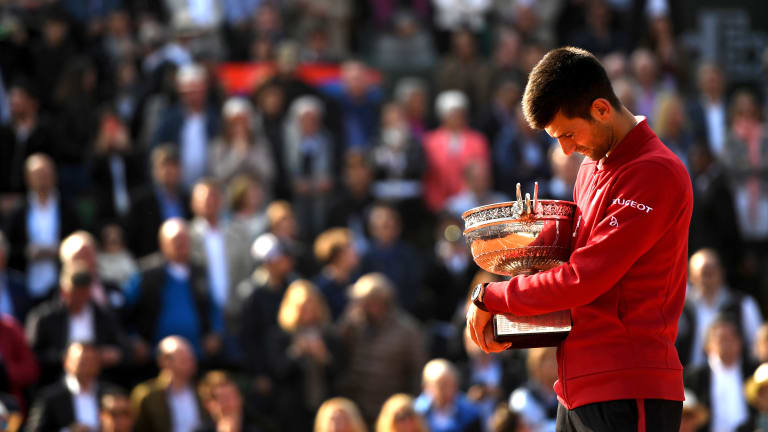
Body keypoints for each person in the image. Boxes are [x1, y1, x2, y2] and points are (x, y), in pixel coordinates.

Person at [466, 47, 693, 431]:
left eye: (568, 134)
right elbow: (564, 256)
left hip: (630, 389)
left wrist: (492, 297)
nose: (566, 149)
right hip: (575, 389)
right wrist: (519, 249)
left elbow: (583, 278)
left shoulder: (656, 172)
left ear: (602, 109)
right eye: (557, 139)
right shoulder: (590, 169)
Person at [131, 336, 208, 432]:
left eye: (191, 358)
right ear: (164, 361)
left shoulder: (203, 391)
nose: (190, 363)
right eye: (183, 359)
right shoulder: (147, 394)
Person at [413, 358, 483, 432]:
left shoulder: (470, 414)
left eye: (449, 385)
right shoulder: (415, 414)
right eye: (441, 386)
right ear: (426, 387)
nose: (446, 391)